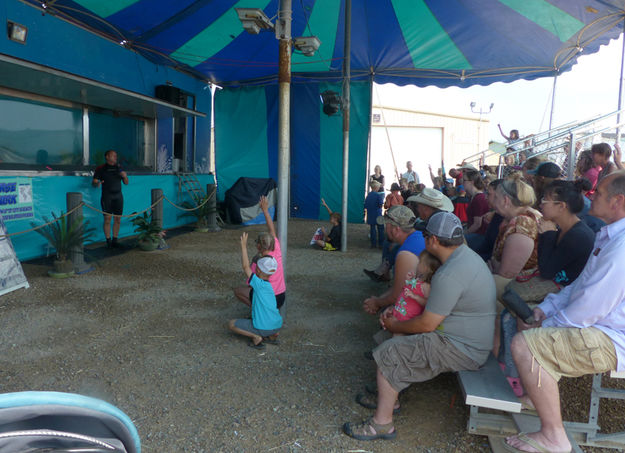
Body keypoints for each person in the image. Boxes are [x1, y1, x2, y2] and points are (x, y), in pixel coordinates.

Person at [344, 212, 496, 441]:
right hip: (464, 338)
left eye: (425, 234)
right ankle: (390, 400)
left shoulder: (450, 273)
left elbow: (427, 324)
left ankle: (382, 424)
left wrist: (396, 322)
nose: (422, 238)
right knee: (394, 335)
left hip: (462, 348)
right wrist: (397, 317)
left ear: (433, 240)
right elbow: (431, 310)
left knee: (390, 352)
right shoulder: (464, 257)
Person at [505, 171, 625, 453]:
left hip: (613, 338)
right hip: (600, 326)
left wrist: (545, 327)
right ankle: (536, 396)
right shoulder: (608, 234)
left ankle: (554, 437)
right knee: (525, 319)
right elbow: (578, 287)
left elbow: (590, 308)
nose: (589, 195)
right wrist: (543, 313)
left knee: (525, 345)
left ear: (619, 201)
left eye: (599, 194)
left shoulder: (621, 246)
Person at [362, 206, 424, 314]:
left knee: (388, 315)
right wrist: (378, 299)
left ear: (396, 229)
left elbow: (398, 295)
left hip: (424, 309)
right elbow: (400, 286)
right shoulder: (419, 236)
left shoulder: (406, 253)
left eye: (387, 225)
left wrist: (376, 303)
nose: (386, 229)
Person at [228, 232, 282, 350]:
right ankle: (272, 335)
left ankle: (256, 336)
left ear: (257, 270)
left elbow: (246, 267)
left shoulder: (258, 284)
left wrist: (243, 246)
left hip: (263, 327)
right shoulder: (269, 287)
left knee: (231, 324)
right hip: (277, 325)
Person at [234, 196, 286, 311]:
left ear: (258, 246)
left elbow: (248, 273)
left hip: (268, 299)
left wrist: (243, 246)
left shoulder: (258, 264)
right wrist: (265, 210)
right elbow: (272, 230)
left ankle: (259, 311)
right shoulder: (276, 248)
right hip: (281, 296)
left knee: (238, 291)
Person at [388, 250, 441, 332]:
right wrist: (409, 280)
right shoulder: (418, 278)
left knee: (398, 335)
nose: (417, 264)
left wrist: (415, 296)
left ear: (427, 268)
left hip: (408, 318)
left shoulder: (427, 286)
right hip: (400, 311)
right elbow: (408, 288)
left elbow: (427, 303)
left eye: (420, 262)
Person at [92, 149, 128, 248]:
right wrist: (97, 183)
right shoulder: (100, 168)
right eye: (113, 155)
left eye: (116, 155)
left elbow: (126, 182)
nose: (115, 157)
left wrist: (125, 177)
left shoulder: (119, 167)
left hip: (118, 196)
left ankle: (115, 240)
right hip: (107, 196)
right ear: (107, 157)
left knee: (118, 219)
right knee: (107, 219)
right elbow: (94, 182)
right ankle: (108, 241)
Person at [463, 169, 490, 234]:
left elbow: (477, 224)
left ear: (472, 182)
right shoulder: (474, 197)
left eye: (464, 180)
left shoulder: (479, 198)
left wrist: (464, 234)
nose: (462, 182)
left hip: (478, 235)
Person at [364, 181, 385, 248]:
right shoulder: (378, 196)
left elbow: (365, 205)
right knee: (380, 229)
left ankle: (373, 244)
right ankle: (381, 244)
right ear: (376, 187)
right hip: (378, 214)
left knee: (372, 229)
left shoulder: (368, 195)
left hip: (370, 214)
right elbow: (380, 204)